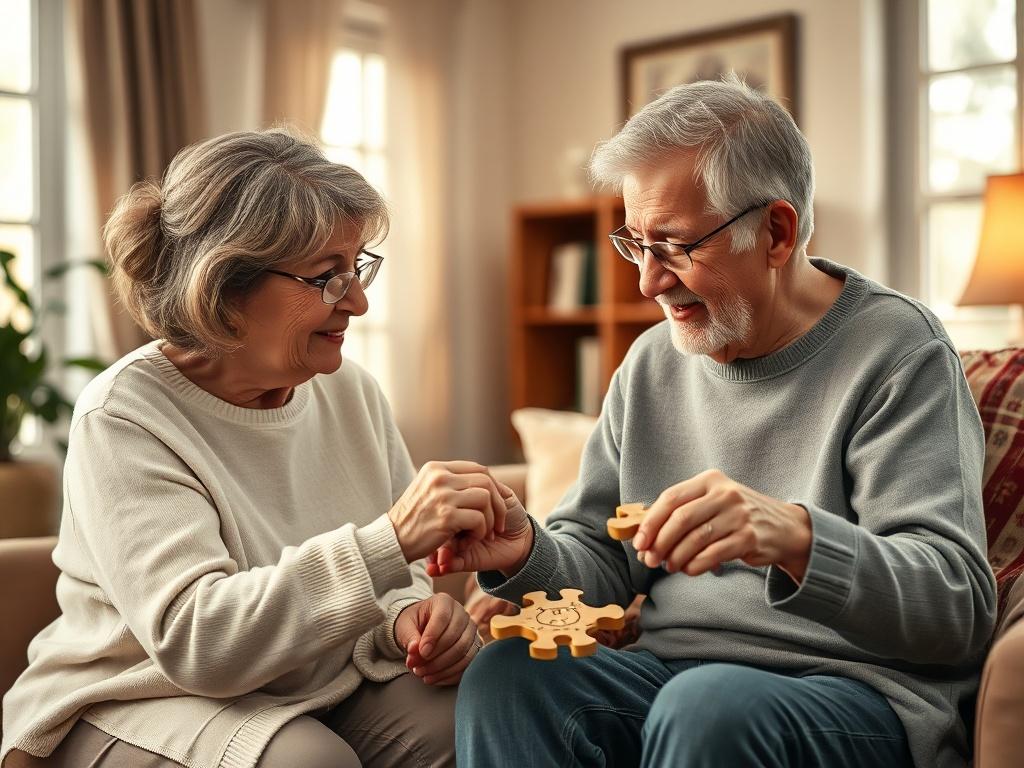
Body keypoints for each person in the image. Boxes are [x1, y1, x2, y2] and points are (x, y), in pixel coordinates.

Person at [437, 78, 997, 768]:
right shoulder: (650, 365)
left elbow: (957, 604)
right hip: (668, 675)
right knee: (511, 676)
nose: (646, 282)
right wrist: (524, 551)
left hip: (853, 695)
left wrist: (794, 536)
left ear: (777, 232)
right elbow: (604, 563)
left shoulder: (897, 351)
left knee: (705, 705)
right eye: (634, 244)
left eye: (673, 247)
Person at [1, 128, 507, 768]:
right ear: (223, 290)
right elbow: (199, 643)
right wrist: (391, 539)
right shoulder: (124, 417)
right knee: (307, 763)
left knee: (488, 705)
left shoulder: (349, 390)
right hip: (141, 694)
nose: (357, 300)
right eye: (327, 276)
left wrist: (412, 617)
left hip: (309, 677)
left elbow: (395, 582)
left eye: (357, 268)